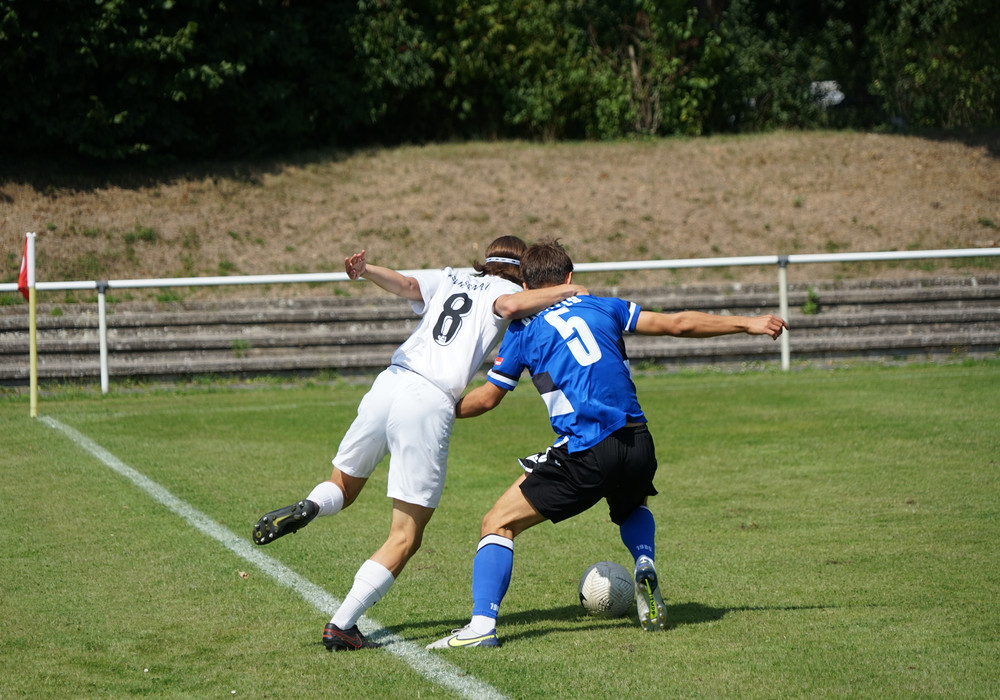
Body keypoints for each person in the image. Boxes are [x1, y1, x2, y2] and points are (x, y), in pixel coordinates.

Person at [427, 239, 788, 649]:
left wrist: (438, 406)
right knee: (631, 505)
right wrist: (748, 323)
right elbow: (679, 324)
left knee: (497, 523)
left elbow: (487, 398)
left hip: (586, 450)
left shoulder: (523, 330)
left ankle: (480, 628)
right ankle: (644, 562)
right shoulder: (605, 306)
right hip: (638, 441)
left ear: (526, 286)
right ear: (568, 279)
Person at [251, 236, 588, 651]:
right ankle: (342, 624)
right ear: (520, 270)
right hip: (428, 399)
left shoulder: (451, 278)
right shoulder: (510, 291)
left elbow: (408, 285)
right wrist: (571, 288)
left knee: (341, 485)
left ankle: (312, 505)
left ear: (486, 261)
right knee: (406, 536)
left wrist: (366, 271)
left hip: (389, 383)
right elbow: (512, 307)